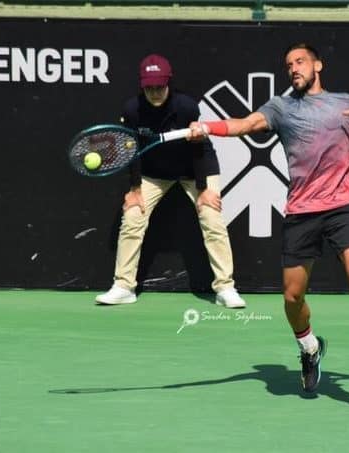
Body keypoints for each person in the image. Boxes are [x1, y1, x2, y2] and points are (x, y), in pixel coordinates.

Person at [188, 43, 349, 391]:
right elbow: (246, 124)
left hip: (344, 207)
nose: (293, 69)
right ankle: (309, 348)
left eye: (300, 62)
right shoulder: (281, 108)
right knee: (292, 297)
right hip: (302, 212)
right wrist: (207, 127)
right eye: (288, 65)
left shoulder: (346, 104)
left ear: (318, 65)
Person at [95, 54, 246, 309]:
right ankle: (123, 286)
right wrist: (134, 190)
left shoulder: (187, 107)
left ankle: (225, 288)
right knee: (132, 216)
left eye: (159, 86)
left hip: (194, 168)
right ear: (142, 86)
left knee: (211, 217)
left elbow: (197, 150)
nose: (155, 92)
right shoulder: (132, 109)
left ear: (169, 83)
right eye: (149, 87)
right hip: (153, 173)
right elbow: (131, 151)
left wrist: (203, 189)